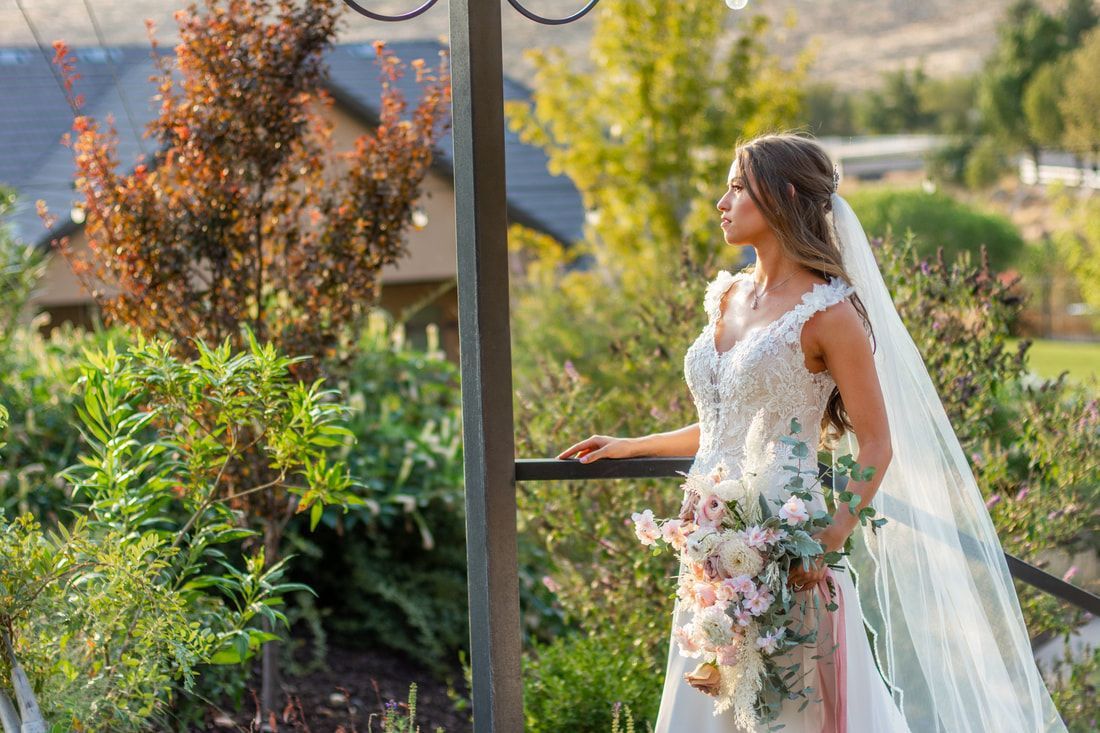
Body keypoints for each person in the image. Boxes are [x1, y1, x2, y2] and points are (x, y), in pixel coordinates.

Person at [556, 133, 1067, 732]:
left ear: (784, 195)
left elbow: (876, 444)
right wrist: (632, 445)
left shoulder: (832, 314)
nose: (722, 201)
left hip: (784, 541)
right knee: (710, 695)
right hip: (709, 539)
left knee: (789, 709)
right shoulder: (726, 295)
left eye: (737, 186)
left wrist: (829, 536)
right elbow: (729, 425)